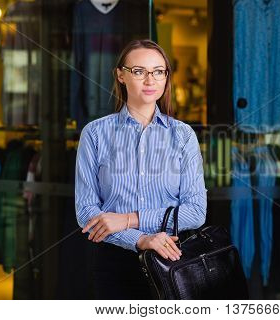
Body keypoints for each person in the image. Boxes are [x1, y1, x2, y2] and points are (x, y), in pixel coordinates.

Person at [75, 39, 207, 299]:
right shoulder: (95, 134)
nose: (151, 80)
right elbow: (86, 213)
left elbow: (196, 212)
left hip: (173, 260)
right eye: (139, 71)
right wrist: (139, 239)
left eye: (159, 71)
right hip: (114, 264)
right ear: (121, 75)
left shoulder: (183, 135)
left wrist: (126, 219)